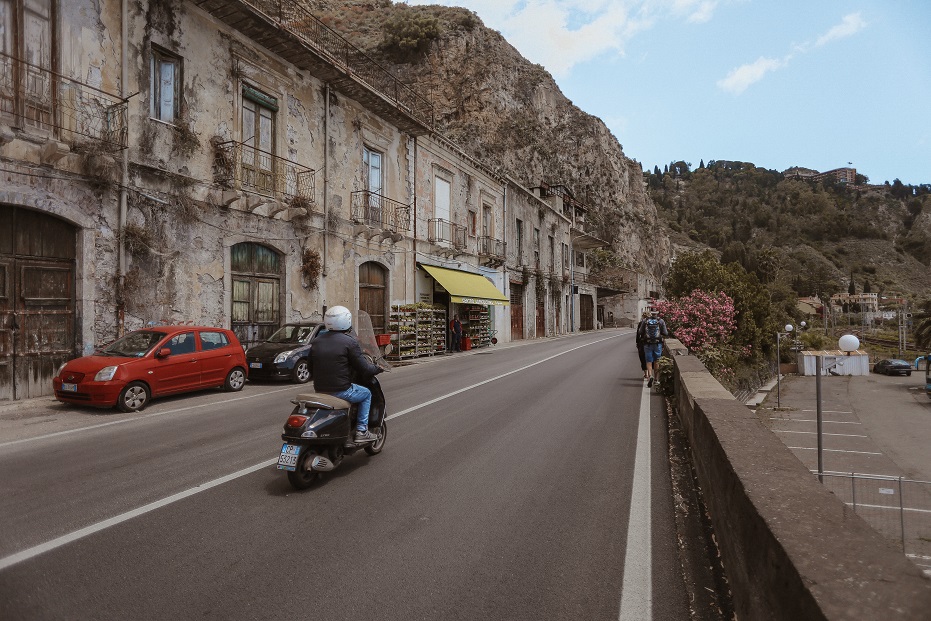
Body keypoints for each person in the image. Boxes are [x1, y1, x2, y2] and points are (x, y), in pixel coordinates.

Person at [309, 306, 383, 442]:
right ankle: (361, 430)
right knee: (366, 394)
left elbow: (309, 367)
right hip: (340, 390)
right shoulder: (349, 342)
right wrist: (378, 368)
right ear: (347, 321)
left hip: (319, 390)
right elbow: (364, 368)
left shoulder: (316, 341)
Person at [638, 309, 668, 387]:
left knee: (648, 361)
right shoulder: (661, 321)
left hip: (647, 344)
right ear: (657, 314)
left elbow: (640, 332)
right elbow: (665, 333)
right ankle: (656, 379)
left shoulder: (645, 321)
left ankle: (650, 375)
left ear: (651, 314)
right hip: (658, 344)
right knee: (657, 361)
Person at [635, 311, 649, 379]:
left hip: (643, 343)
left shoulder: (641, 323)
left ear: (643, 316)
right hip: (651, 343)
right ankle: (651, 374)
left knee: (643, 358)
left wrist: (637, 343)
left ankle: (646, 374)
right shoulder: (654, 322)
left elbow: (638, 334)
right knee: (650, 358)